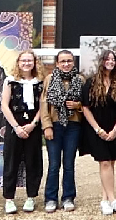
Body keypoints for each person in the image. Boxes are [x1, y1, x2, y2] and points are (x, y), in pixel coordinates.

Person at [79, 50, 116, 216]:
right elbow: (85, 108)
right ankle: (114, 200)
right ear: (102, 61)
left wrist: (115, 129)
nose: (110, 61)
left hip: (114, 129)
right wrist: (98, 129)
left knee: (110, 163)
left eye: (113, 59)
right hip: (96, 129)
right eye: (107, 58)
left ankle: (105, 201)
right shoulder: (91, 82)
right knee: (105, 163)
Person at [0, 50, 44, 214]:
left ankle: (31, 197)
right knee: (11, 162)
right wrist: (17, 127)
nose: (26, 63)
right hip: (14, 126)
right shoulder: (10, 81)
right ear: (18, 63)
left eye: (29, 60)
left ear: (34, 63)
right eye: (23, 60)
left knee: (33, 162)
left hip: (33, 125)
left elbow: (43, 106)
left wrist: (33, 124)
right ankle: (9, 199)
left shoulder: (39, 82)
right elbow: (4, 105)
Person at [43, 50, 84, 212]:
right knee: (54, 164)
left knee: (69, 164)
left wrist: (77, 106)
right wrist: (46, 126)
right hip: (54, 125)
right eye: (63, 61)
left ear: (73, 62)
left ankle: (68, 197)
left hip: (73, 126)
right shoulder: (50, 79)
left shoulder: (80, 80)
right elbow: (43, 104)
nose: (66, 64)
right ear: (57, 63)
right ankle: (51, 198)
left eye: (69, 61)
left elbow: (86, 104)